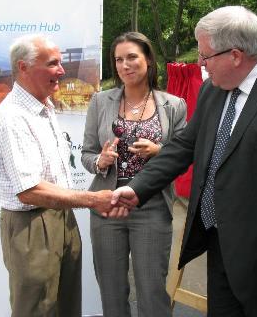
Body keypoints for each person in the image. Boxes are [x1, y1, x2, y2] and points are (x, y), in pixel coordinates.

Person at [110, 6, 257, 316]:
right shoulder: (213, 91)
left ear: (236, 55)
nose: (200, 64)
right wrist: (137, 188)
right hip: (218, 243)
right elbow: (185, 146)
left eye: (205, 56)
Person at [0, 34, 115, 317]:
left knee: (66, 304)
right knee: (38, 309)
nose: (62, 70)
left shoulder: (42, 106)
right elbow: (30, 190)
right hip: (32, 225)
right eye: (53, 63)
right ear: (23, 67)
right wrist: (92, 200)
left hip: (60, 218)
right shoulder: (13, 117)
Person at [81, 32, 187, 317]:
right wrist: (100, 161)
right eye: (118, 59)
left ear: (148, 60)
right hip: (107, 204)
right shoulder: (100, 102)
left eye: (132, 57)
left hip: (151, 205)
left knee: (152, 291)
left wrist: (159, 150)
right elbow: (86, 154)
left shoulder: (174, 105)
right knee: (112, 291)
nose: (125, 65)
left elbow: (183, 155)